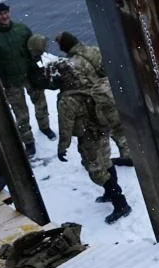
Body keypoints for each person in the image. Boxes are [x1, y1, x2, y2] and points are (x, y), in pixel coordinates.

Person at [52, 58, 132, 224]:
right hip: (102, 130)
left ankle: (121, 203)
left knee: (96, 171)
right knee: (106, 162)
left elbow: (65, 128)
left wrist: (62, 148)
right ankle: (110, 194)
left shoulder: (68, 100)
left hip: (89, 137)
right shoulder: (88, 83)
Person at [0, 2, 52, 158]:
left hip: (30, 74)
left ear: (10, 12)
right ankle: (28, 141)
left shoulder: (22, 29)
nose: (4, 16)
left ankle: (45, 127)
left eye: (6, 12)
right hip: (10, 81)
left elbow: (33, 48)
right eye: (0, 14)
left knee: (40, 103)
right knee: (20, 113)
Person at [56, 32, 130, 165]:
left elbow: (83, 85)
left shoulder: (73, 63)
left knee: (107, 127)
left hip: (98, 99)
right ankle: (128, 154)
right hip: (111, 91)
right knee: (119, 127)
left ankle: (104, 161)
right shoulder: (94, 50)